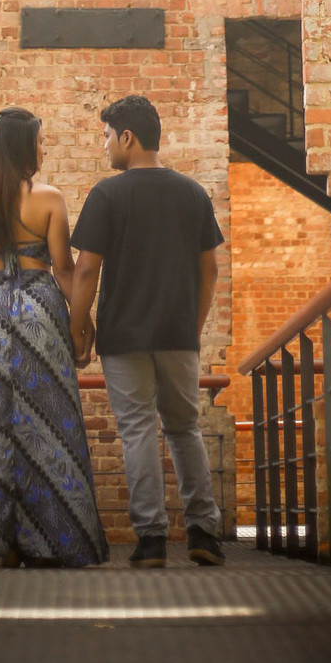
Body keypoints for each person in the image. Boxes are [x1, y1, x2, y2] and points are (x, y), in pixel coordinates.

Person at [69, 93, 226, 569]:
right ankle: (204, 533)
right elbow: (210, 270)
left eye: (107, 136)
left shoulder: (107, 194)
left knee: (137, 430)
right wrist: (193, 327)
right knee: (186, 429)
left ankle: (152, 540)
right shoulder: (193, 193)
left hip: (124, 337)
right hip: (179, 335)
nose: (105, 146)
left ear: (128, 137)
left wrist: (79, 327)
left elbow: (86, 270)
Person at [0, 105, 108, 569]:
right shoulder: (49, 199)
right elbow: (64, 270)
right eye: (40, 141)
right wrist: (82, 325)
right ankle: (56, 541)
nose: (43, 149)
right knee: (49, 423)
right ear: (24, 147)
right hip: (41, 312)